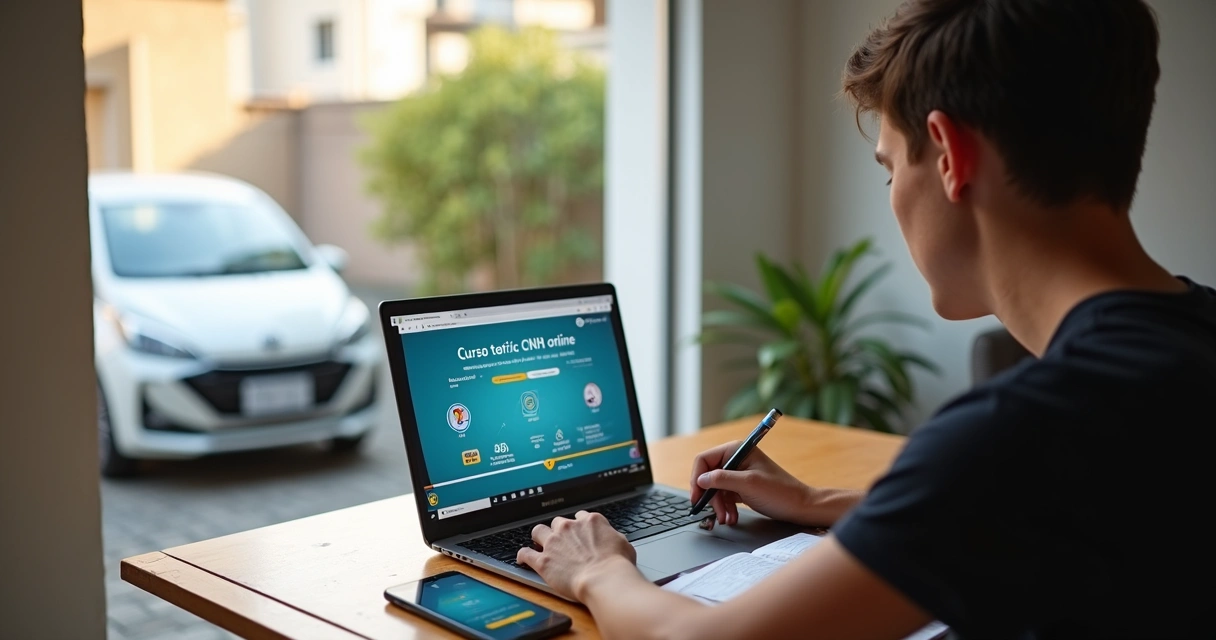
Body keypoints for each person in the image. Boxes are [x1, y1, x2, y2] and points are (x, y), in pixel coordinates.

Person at [516, 0, 1216, 637]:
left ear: (949, 155)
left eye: (890, 169)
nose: (893, 195)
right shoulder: (1182, 350)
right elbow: (1031, 519)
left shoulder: (1026, 433)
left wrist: (596, 568)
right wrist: (817, 497)